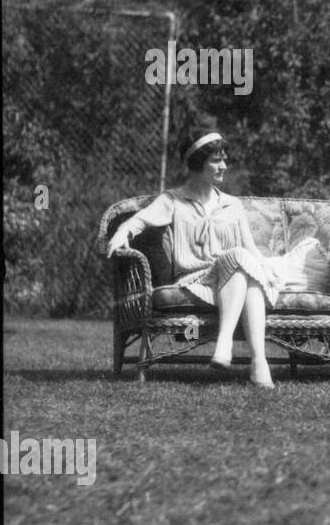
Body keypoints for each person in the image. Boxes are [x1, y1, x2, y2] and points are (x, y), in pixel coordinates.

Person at [106, 129, 281, 388]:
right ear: (198, 163)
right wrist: (122, 232)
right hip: (196, 279)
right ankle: (237, 349)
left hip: (234, 278)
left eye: (224, 159)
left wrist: (269, 274)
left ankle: (256, 361)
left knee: (249, 270)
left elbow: (250, 250)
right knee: (240, 260)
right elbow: (141, 219)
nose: (224, 166)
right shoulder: (174, 200)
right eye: (216, 161)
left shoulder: (233, 205)